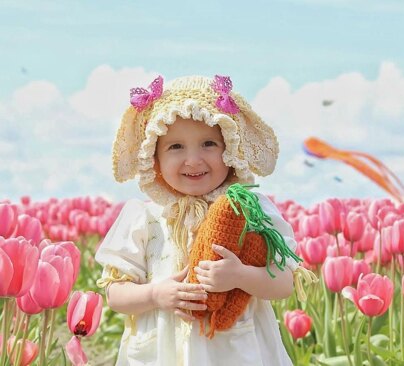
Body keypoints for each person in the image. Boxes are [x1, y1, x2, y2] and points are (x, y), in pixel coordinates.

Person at [95, 75, 300, 366]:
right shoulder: (145, 218)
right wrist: (155, 294)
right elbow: (115, 294)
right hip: (163, 354)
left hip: (235, 353)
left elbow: (284, 283)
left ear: (230, 148)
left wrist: (240, 275)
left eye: (208, 144)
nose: (193, 160)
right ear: (154, 158)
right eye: (175, 147)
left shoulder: (250, 210)